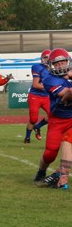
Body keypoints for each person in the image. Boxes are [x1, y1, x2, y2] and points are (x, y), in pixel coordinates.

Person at [33, 48, 72, 187]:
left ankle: (63, 176)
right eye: (57, 64)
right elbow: (67, 93)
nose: (61, 66)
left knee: (68, 143)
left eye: (63, 62)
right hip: (57, 119)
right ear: (51, 66)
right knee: (50, 152)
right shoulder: (49, 79)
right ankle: (41, 171)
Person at [24, 49, 51, 143]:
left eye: (49, 57)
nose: (47, 59)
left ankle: (38, 126)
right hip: (35, 96)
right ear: (41, 59)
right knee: (33, 119)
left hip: (46, 97)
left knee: (53, 115)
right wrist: (50, 87)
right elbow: (36, 85)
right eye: (45, 57)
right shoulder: (37, 67)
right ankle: (27, 137)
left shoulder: (54, 69)